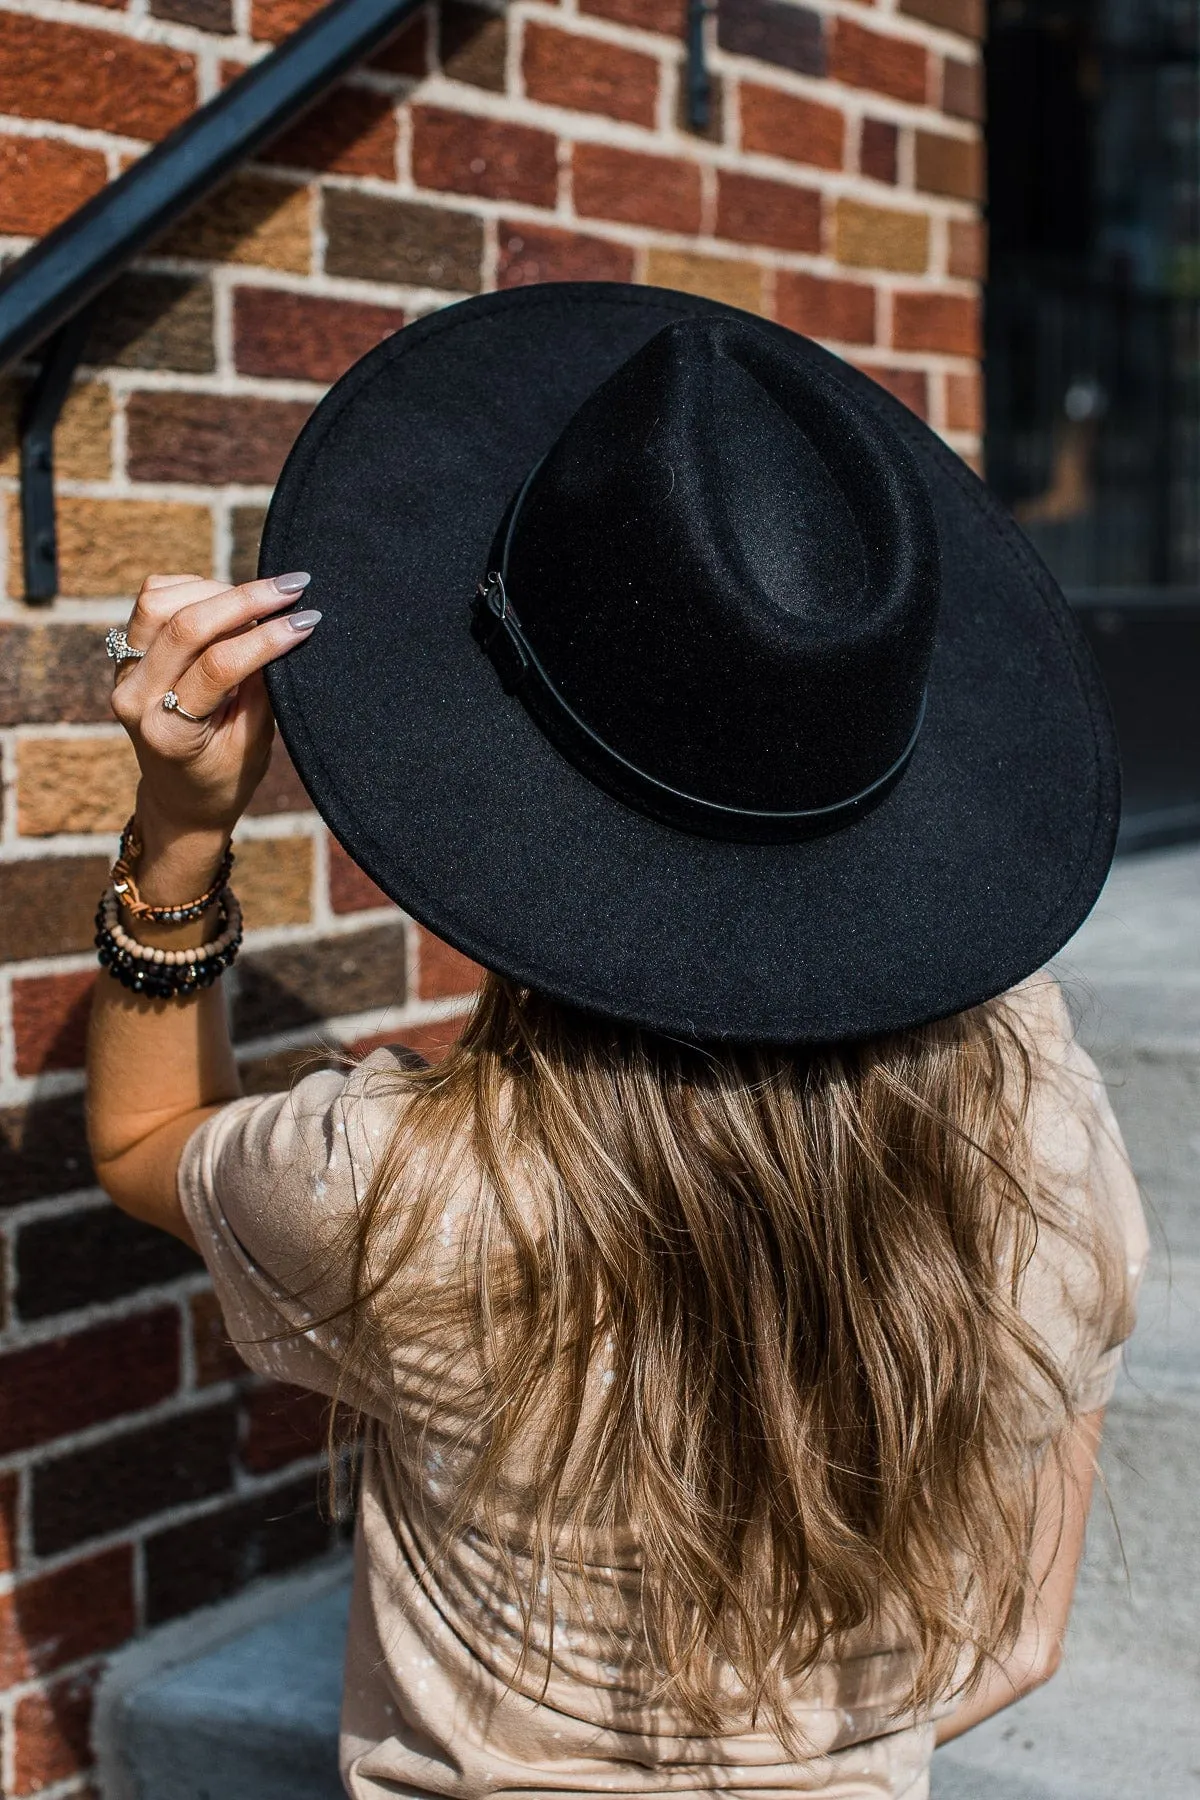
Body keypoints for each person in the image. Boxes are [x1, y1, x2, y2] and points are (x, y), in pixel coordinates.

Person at [87, 287, 1148, 1800]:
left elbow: (138, 1151)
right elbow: (1024, 1648)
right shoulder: (1037, 1130)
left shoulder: (402, 1192)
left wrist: (179, 838)